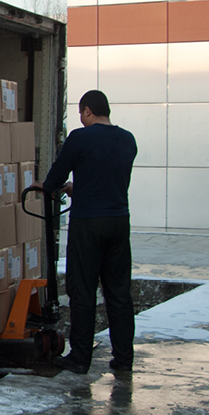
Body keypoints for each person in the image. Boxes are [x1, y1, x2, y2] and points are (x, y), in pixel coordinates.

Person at [37, 90, 138, 375]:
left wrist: (53, 186)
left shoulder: (81, 138)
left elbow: (55, 178)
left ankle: (80, 359)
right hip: (119, 221)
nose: (81, 119)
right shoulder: (128, 139)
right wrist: (77, 187)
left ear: (88, 112)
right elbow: (107, 179)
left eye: (82, 114)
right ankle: (124, 359)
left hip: (88, 224)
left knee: (82, 291)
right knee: (119, 293)